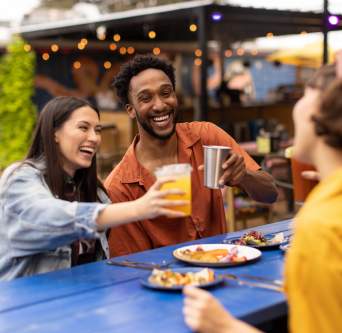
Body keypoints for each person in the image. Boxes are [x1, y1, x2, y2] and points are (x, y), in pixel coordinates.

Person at [183, 63, 342, 333]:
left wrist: (225, 326)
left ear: (321, 113)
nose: (294, 106)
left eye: (304, 94)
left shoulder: (320, 226)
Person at [105, 54, 278, 257]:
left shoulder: (206, 136)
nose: (160, 105)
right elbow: (132, 267)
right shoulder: (119, 188)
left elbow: (270, 194)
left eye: (166, 92)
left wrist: (245, 177)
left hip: (223, 271)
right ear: (131, 110)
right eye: (146, 98)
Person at [0, 96, 187, 281]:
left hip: (83, 302)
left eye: (97, 130)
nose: (94, 138)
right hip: (26, 307)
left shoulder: (94, 191)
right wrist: (140, 207)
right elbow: (47, 216)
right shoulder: (20, 178)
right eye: (83, 128)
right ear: (53, 133)